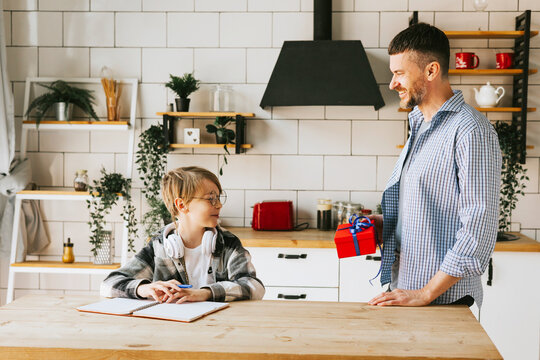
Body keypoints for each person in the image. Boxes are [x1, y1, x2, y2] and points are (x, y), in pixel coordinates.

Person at [367, 23, 501, 307]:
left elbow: (479, 227)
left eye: (399, 74)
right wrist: (385, 225)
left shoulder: (470, 130)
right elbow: (431, 207)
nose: (393, 84)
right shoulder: (420, 124)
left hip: (441, 300)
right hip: (407, 291)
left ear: (431, 70)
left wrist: (426, 292)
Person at [101, 166, 265, 303]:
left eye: (219, 198)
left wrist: (205, 293)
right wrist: (143, 288)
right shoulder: (159, 246)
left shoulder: (228, 243)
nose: (219, 205)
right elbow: (108, 285)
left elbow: (255, 287)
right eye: (211, 199)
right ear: (182, 205)